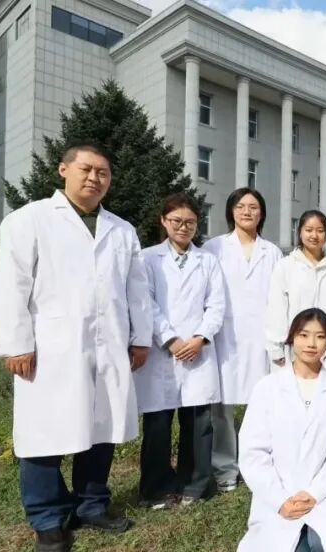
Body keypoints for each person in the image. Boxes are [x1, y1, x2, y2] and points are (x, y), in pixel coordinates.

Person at [0, 144, 152, 551]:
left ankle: (92, 505)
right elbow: (10, 285)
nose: (95, 178)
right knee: (43, 433)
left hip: (109, 344)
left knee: (102, 428)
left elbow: (137, 290)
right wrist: (16, 344)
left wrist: (140, 338)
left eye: (103, 172)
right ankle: (47, 518)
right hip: (50, 349)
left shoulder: (121, 229)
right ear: (63, 169)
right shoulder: (30, 219)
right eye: (86, 169)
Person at [237, 308, 326, 552]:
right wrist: (279, 499)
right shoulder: (267, 388)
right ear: (291, 338)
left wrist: (314, 493)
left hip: (324, 495)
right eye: (303, 335)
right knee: (291, 546)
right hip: (277, 493)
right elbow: (253, 453)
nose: (311, 344)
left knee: (324, 543)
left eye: (320, 337)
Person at [135, 193, 225, 509]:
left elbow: (217, 305)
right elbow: (146, 303)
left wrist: (200, 337)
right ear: (164, 221)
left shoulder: (208, 261)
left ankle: (195, 484)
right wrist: (170, 339)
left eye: (190, 222)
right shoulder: (148, 258)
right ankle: (155, 489)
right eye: (176, 221)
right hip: (163, 352)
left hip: (198, 351)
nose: (183, 227)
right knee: (158, 424)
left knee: (199, 424)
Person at [203, 188, 283, 493]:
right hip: (225, 336)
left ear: (262, 213)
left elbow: (278, 298)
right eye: (240, 206)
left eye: (253, 207)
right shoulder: (214, 247)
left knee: (260, 405)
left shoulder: (272, 252)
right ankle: (225, 467)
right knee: (221, 407)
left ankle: (256, 465)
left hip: (260, 336)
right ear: (231, 212)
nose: (247, 212)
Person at [265, 210, 326, 373]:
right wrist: (275, 348)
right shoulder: (285, 266)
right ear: (299, 232)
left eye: (320, 231)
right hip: (292, 349)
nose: (314, 235)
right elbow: (276, 309)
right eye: (309, 230)